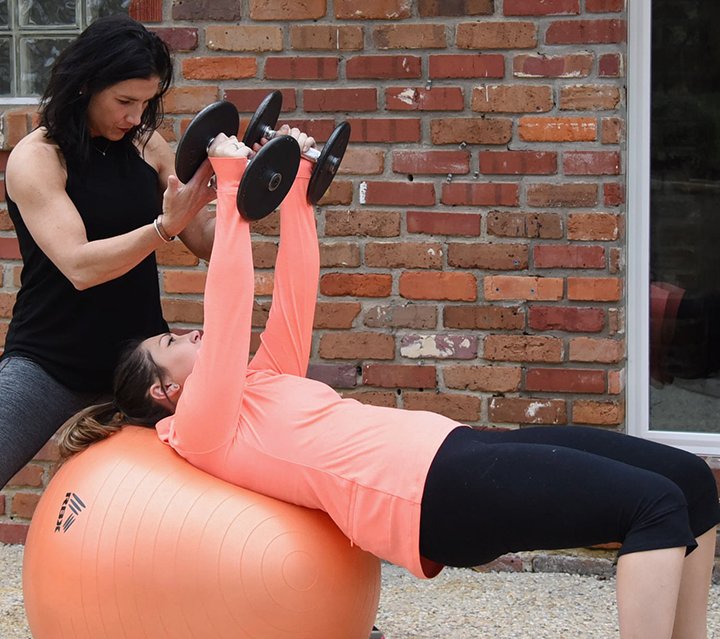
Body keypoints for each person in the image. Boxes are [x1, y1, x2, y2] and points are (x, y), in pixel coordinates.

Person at [59, 132, 720, 639]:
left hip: (455, 450)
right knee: (652, 507)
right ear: (164, 393)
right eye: (172, 343)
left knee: (690, 482)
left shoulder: (258, 386)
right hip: (431, 495)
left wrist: (299, 193)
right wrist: (230, 192)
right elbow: (229, 310)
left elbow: (295, 298)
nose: (191, 334)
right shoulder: (199, 431)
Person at [0, 14, 216, 489]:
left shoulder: (146, 146)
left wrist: (252, 190)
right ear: (86, 85)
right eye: (124, 102)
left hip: (141, 365)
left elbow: (203, 239)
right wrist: (162, 228)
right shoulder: (38, 157)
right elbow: (79, 265)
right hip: (50, 362)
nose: (136, 117)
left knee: (187, 489)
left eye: (146, 103)